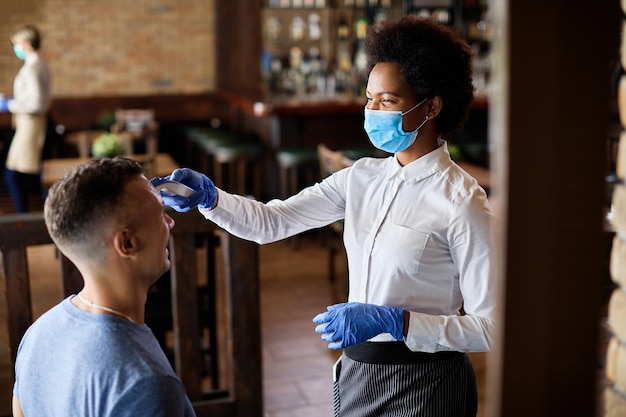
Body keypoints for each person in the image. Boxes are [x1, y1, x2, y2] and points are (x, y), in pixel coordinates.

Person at [162, 15, 495, 417]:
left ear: (432, 106)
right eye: (369, 98)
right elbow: (274, 222)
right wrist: (211, 198)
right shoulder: (361, 178)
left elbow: (491, 327)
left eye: (387, 101)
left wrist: (397, 322)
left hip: (429, 385)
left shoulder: (462, 201)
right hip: (358, 373)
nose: (372, 110)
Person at [12, 157, 196, 417]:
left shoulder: (38, 333)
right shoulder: (146, 384)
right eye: (160, 214)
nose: (170, 222)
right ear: (127, 243)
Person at [0, 24, 51, 212]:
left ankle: (25, 218)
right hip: (27, 122)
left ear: (27, 44)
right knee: (22, 173)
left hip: (31, 122)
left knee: (15, 175)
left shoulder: (33, 68)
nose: (16, 49)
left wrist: (8, 105)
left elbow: (36, 102)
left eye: (17, 44)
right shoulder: (36, 64)